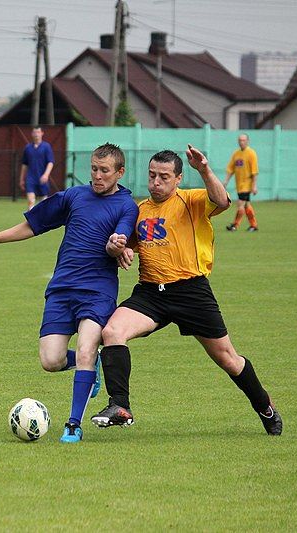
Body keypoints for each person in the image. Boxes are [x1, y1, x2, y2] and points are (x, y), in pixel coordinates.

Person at [91, 145, 283, 436]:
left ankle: (264, 406)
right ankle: (120, 406)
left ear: (178, 178)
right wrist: (118, 249)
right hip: (150, 293)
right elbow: (123, 245)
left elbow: (223, 200)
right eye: (152, 175)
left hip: (191, 292)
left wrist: (204, 170)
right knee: (112, 332)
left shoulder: (192, 200)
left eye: (164, 177)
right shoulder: (139, 210)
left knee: (228, 359)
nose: (156, 182)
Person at [0, 143, 138, 443]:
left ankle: (73, 424)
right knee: (51, 360)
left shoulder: (126, 205)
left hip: (97, 291)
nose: (97, 176)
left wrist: (116, 246)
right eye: (94, 169)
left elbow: (120, 239)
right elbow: (33, 224)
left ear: (120, 172)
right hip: (61, 289)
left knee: (85, 349)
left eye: (104, 171)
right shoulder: (73, 196)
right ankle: (93, 366)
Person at [223, 133, 259, 232]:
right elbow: (231, 169)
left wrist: (254, 186)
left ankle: (235, 225)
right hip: (239, 185)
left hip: (247, 185)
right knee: (246, 205)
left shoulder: (251, 153)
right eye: (240, 140)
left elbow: (254, 172)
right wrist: (226, 181)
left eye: (243, 140)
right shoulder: (236, 154)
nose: (241, 142)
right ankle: (253, 225)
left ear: (247, 141)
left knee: (240, 204)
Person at [19, 126, 55, 210]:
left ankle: (42, 217)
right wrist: (21, 179)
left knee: (44, 201)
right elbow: (24, 164)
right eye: (34, 132)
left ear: (42, 133)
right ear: (32, 134)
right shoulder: (28, 147)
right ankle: (31, 216)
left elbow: (50, 162)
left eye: (38, 132)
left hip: (42, 177)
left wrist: (46, 175)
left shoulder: (46, 147)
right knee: (30, 201)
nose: (36, 134)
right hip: (30, 178)